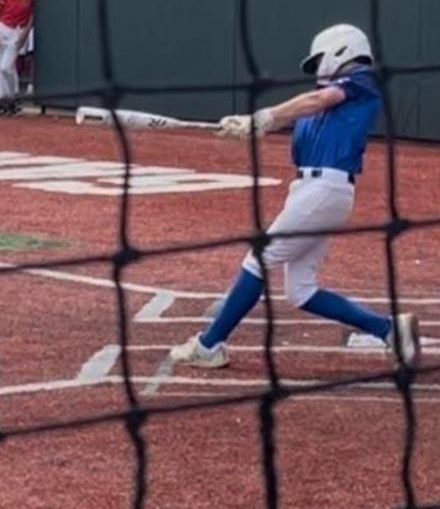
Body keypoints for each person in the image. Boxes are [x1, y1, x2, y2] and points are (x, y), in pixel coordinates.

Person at [169, 24, 421, 369]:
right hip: (311, 192)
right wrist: (247, 127)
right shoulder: (323, 104)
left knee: (258, 260)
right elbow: (304, 111)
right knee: (300, 290)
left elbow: (318, 100)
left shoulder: (360, 80)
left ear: (341, 51)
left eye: (319, 60)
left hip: (324, 190)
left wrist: (264, 117)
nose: (317, 69)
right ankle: (389, 329)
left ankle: (209, 345)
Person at [0, 0, 34, 115]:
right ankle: (8, 100)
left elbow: (34, 13)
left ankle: (9, 99)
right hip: (3, 27)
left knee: (4, 68)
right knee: (6, 67)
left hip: (19, 30)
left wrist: (25, 34)